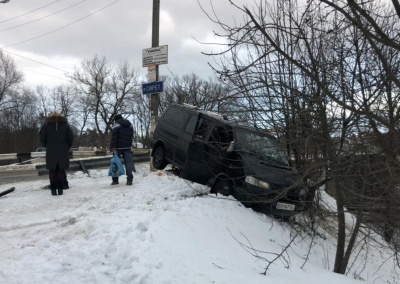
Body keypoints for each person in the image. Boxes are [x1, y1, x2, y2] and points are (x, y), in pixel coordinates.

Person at [40, 112, 74, 196]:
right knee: (61, 170)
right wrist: (66, 147)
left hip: (51, 150)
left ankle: (53, 189)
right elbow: (71, 137)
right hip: (63, 150)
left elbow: (42, 138)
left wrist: (48, 145)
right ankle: (60, 188)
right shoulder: (66, 126)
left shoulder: (46, 126)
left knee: (52, 170)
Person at [109, 114, 136, 185]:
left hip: (117, 148)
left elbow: (114, 137)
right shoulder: (130, 124)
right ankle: (129, 180)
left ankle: (115, 180)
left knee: (115, 163)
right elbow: (131, 136)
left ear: (116, 119)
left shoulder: (116, 124)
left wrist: (112, 147)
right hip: (127, 147)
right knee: (128, 164)